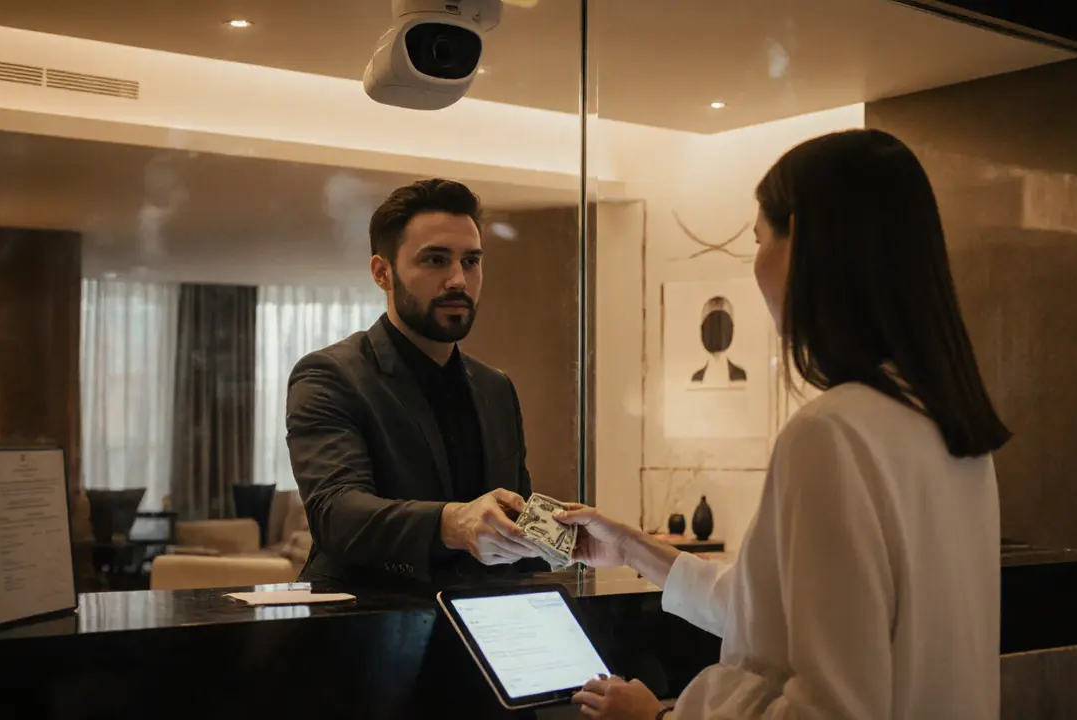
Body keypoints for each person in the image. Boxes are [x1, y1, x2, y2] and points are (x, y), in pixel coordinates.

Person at [563, 129, 1011, 719]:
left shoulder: (831, 434)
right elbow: (773, 611)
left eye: (758, 239)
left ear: (803, 243)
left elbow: (831, 708)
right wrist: (632, 548)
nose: (757, 268)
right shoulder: (949, 428)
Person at [285, 178, 544, 590]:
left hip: (484, 627)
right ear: (382, 273)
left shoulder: (496, 388)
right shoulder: (330, 375)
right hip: (367, 629)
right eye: (436, 260)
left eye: (471, 261)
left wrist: (560, 536)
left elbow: (514, 518)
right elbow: (337, 515)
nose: (458, 280)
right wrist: (452, 522)